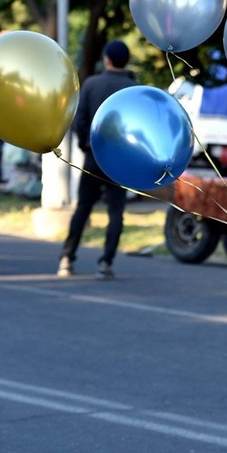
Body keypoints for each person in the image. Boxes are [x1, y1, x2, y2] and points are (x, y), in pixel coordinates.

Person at [58, 40, 136, 279]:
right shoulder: (133, 89)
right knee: (116, 212)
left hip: (93, 157)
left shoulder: (91, 84)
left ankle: (67, 258)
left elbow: (79, 120)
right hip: (119, 162)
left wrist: (86, 145)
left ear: (107, 59)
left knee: (83, 208)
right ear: (127, 61)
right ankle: (106, 262)